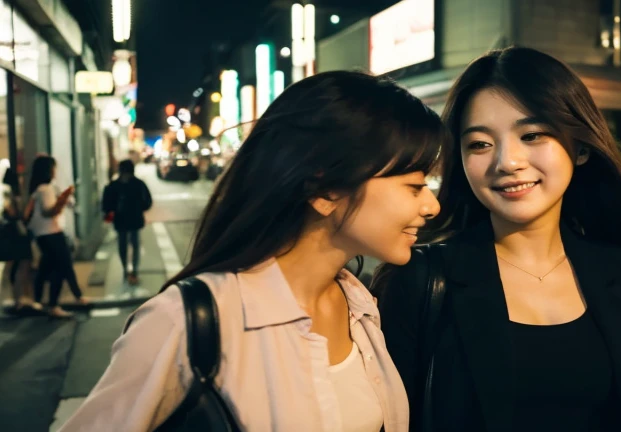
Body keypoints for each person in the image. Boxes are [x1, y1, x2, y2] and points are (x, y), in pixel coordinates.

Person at [60, 71, 445, 431]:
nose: (432, 206)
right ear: (327, 191)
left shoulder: (361, 306)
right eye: (414, 186)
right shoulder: (187, 321)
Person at [371, 47, 621, 432]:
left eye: (532, 134)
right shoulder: (419, 279)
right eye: (480, 143)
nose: (508, 162)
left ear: (580, 147)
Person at [26, 155, 87, 318]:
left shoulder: (40, 188)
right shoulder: (45, 189)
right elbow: (48, 211)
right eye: (53, 168)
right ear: (48, 170)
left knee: (47, 266)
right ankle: (55, 304)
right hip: (51, 232)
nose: (55, 171)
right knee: (61, 266)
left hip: (43, 234)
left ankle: (39, 301)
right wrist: (61, 201)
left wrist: (63, 197)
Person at [102, 159, 153, 284]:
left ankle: (129, 269)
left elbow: (106, 204)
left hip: (122, 220)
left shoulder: (113, 185)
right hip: (133, 218)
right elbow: (147, 201)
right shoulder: (138, 184)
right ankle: (131, 270)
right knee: (131, 245)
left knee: (125, 244)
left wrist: (111, 211)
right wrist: (140, 208)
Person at [1, 164, 41, 313]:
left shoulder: (9, 194)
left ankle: (21, 299)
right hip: (17, 235)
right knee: (22, 266)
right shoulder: (10, 194)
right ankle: (22, 299)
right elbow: (13, 213)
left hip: (15, 234)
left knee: (18, 267)